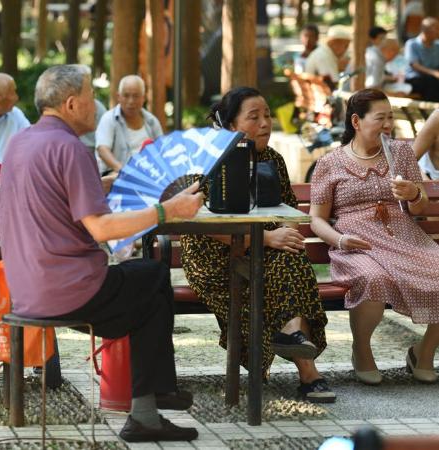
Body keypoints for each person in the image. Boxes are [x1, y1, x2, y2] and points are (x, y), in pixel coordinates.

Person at [0, 64, 201, 443]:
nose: (98, 106)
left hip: (25, 288)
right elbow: (102, 228)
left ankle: (151, 403)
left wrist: (105, 181)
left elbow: (59, 196)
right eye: (93, 98)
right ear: (72, 104)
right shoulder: (69, 147)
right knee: (154, 276)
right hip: (69, 290)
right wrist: (167, 211)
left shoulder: (22, 141)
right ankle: (151, 400)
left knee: (146, 286)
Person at [181, 87, 334, 402]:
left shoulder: (272, 159)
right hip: (215, 257)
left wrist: (287, 234)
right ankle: (304, 367)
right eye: (254, 117)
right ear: (231, 125)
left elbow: (290, 208)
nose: (266, 122)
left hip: (264, 250)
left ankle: (294, 342)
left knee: (291, 261)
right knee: (276, 273)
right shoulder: (206, 158)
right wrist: (266, 238)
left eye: (267, 115)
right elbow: (199, 220)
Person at [310, 88, 439, 384]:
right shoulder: (330, 163)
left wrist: (414, 193)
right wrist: (339, 241)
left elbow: (419, 207)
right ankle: (362, 350)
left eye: (390, 118)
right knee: (373, 279)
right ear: (356, 121)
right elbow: (316, 218)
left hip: (404, 237)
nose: (387, 125)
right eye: (380, 118)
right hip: (357, 243)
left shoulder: (401, 153)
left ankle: (425, 351)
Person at [95, 75, 163, 174]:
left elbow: (162, 148)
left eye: (136, 96)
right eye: (126, 96)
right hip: (116, 176)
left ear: (143, 98)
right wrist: (123, 171)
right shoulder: (109, 119)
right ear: (118, 96)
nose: (131, 101)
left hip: (148, 175)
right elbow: (102, 149)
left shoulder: (151, 121)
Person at [305, 25, 352, 89]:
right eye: (346, 46)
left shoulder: (324, 53)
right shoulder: (323, 56)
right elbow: (333, 84)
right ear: (334, 43)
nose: (346, 50)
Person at [404, 18, 439, 102]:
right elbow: (415, 65)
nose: (438, 31)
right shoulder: (412, 44)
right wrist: (434, 73)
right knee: (431, 82)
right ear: (425, 30)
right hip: (415, 78)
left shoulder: (437, 45)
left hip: (433, 78)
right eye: (437, 28)